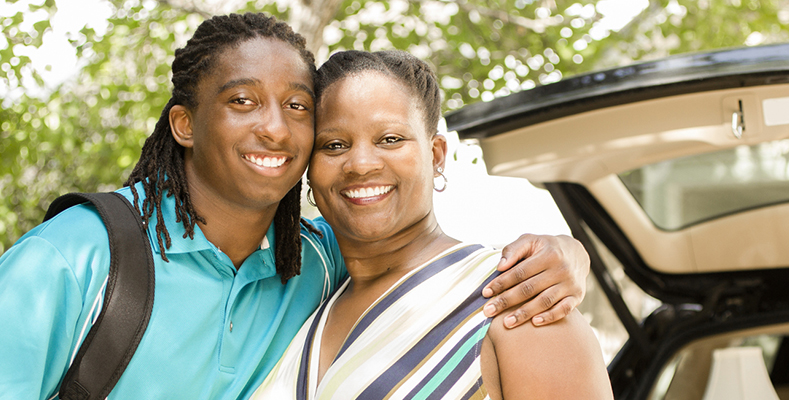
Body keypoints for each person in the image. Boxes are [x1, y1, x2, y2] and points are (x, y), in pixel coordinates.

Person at [0, 13, 589, 399]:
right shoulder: (71, 260)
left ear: (438, 156)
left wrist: (569, 254)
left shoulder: (320, 267)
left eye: (297, 109)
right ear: (184, 125)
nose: (275, 130)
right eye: (242, 101)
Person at [251, 50, 612, 399]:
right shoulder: (307, 289)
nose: (360, 164)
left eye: (390, 139)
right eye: (333, 145)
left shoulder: (518, 299)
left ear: (436, 155)